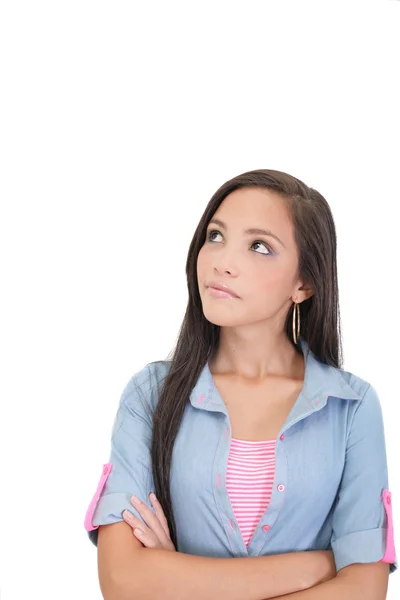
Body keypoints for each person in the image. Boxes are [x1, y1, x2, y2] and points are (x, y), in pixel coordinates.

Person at [84, 169, 397, 600]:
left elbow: (364, 591)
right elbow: (122, 581)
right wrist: (321, 566)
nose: (222, 261)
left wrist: (174, 577)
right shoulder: (149, 396)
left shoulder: (352, 407)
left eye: (259, 246)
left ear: (303, 282)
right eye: (215, 236)